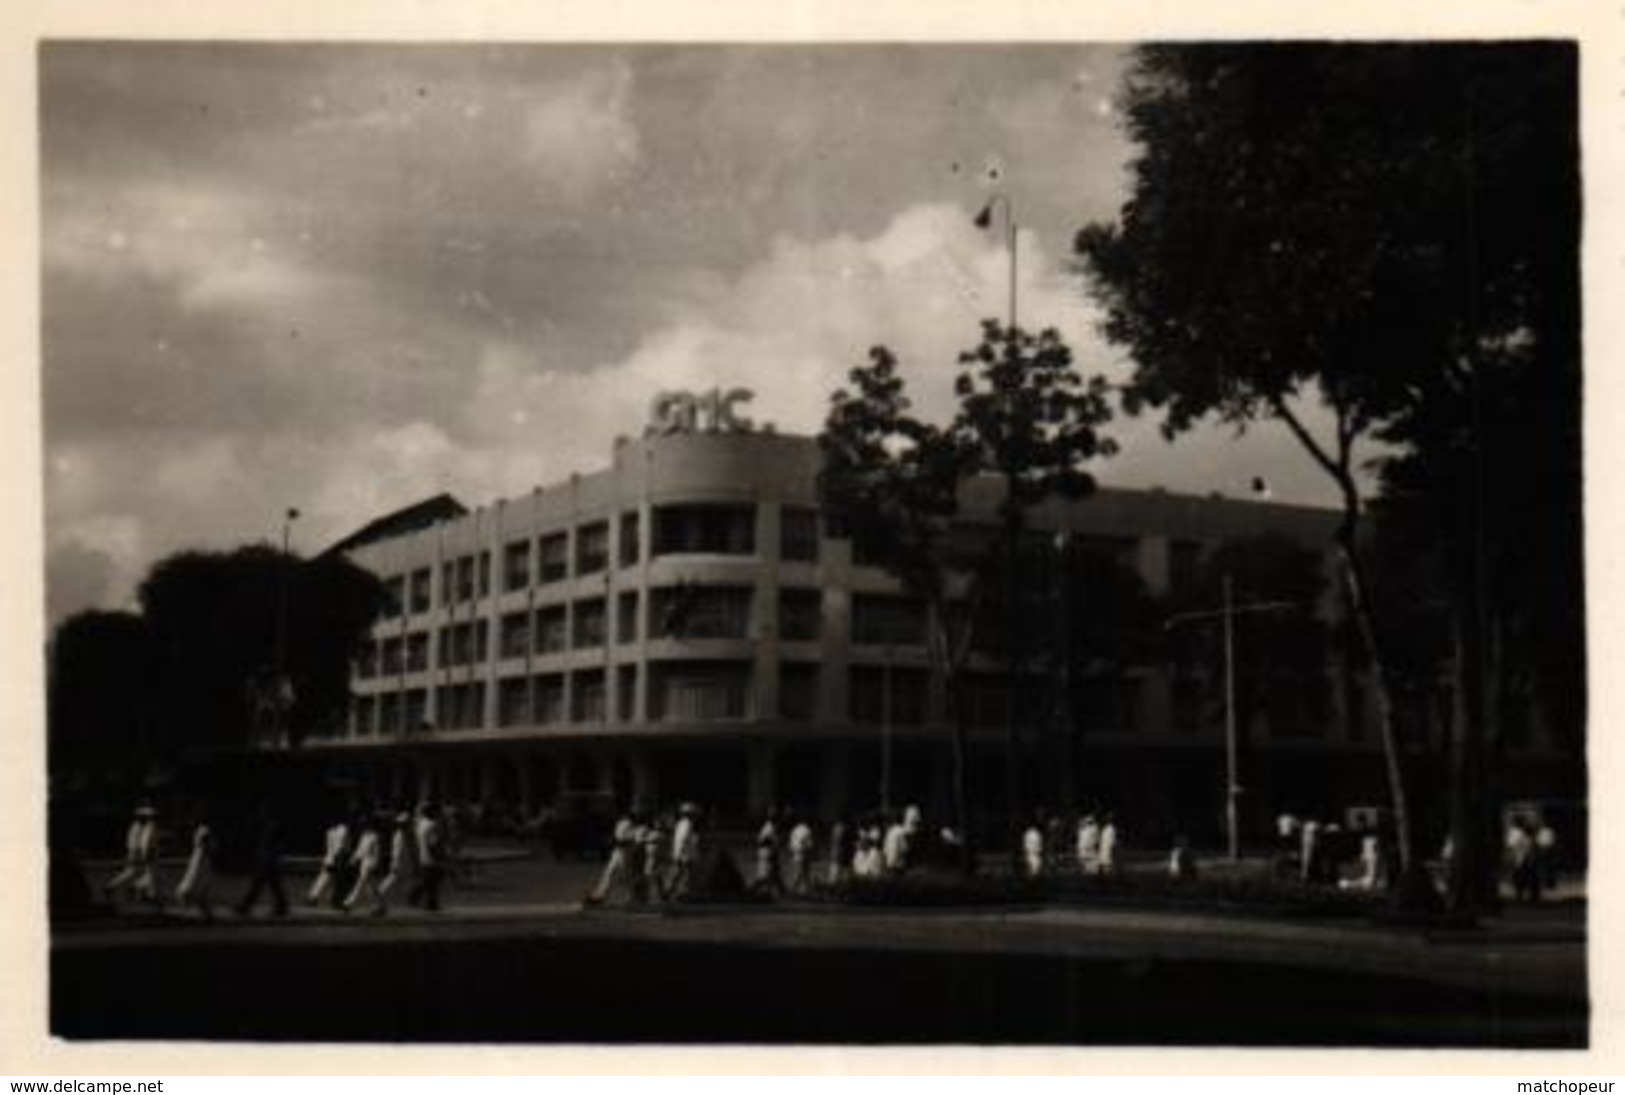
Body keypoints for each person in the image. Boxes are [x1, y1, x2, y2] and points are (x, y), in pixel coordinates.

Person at [235, 803, 288, 918]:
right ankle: (281, 907)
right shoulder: (267, 825)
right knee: (270, 885)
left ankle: (245, 906)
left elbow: (277, 845)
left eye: (263, 811)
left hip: (268, 860)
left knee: (260, 884)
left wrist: (272, 856)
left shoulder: (273, 825)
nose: (261, 813)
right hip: (266, 859)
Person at [105, 804, 160, 908]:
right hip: (140, 851)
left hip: (135, 851)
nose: (151, 817)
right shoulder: (148, 826)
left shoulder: (135, 826)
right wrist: (146, 854)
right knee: (144, 872)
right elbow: (146, 842)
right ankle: (140, 890)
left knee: (141, 872)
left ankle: (145, 891)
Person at [585, 809, 637, 905]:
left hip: (624, 852)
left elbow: (628, 839)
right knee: (609, 872)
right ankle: (600, 895)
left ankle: (631, 897)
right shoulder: (621, 823)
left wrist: (614, 841)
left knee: (625, 875)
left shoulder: (627, 824)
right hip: (618, 851)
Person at [173, 814, 215, 920]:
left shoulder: (199, 830)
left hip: (199, 857)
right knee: (197, 879)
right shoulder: (204, 830)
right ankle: (184, 896)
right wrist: (212, 846)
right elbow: (205, 843)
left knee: (201, 880)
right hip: (202, 858)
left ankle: (205, 908)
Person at [307, 813, 354, 909]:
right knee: (338, 881)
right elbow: (344, 845)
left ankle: (313, 896)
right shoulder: (343, 829)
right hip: (338, 858)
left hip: (330, 857)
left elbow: (331, 846)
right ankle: (335, 900)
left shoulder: (330, 831)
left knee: (324, 878)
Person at [344, 814, 387, 916]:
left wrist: (375, 865)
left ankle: (348, 903)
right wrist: (353, 860)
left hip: (370, 864)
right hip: (364, 863)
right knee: (372, 888)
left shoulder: (375, 837)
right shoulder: (364, 836)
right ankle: (380, 907)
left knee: (360, 883)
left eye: (364, 824)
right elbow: (360, 850)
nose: (362, 826)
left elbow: (377, 852)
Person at [409, 803, 446, 911]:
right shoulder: (432, 825)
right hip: (431, 857)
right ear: (432, 813)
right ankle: (429, 903)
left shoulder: (420, 824)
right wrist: (440, 856)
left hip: (422, 854)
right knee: (433, 880)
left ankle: (424, 901)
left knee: (429, 880)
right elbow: (433, 843)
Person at [377, 811, 415, 906]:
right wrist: (395, 863)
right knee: (393, 880)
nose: (410, 825)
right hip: (400, 862)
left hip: (402, 862)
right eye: (408, 823)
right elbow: (397, 851)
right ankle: (381, 893)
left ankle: (408, 899)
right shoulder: (400, 835)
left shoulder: (401, 834)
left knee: (404, 881)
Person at [667, 803, 701, 900]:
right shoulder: (687, 824)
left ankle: (671, 891)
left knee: (678, 874)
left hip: (681, 854)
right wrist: (679, 854)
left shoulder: (680, 823)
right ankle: (681, 894)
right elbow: (683, 839)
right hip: (685, 855)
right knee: (685, 875)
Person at [751, 811, 785, 897]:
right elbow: (763, 841)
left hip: (768, 852)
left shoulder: (770, 827)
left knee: (773, 874)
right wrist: (772, 850)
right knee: (765, 876)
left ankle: (780, 891)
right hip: (766, 853)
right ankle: (754, 890)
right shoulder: (768, 827)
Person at [788, 815, 815, 893]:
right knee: (802, 874)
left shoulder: (795, 829)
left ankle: (808, 889)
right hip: (804, 854)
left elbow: (790, 843)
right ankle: (793, 890)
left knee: (801, 873)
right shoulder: (807, 830)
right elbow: (809, 844)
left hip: (795, 854)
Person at [1535, 818, 1560, 891]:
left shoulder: (1546, 831)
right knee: (1545, 867)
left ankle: (1549, 884)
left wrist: (1544, 847)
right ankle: (1547, 883)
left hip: (1547, 849)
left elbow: (1540, 841)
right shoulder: (1543, 831)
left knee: (1548, 867)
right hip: (1544, 849)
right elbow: (1539, 841)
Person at [1299, 819, 1321, 884]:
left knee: (1307, 859)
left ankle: (1306, 875)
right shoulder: (1312, 825)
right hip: (1307, 843)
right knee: (1306, 859)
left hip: (1309, 843)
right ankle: (1305, 875)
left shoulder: (1309, 825)